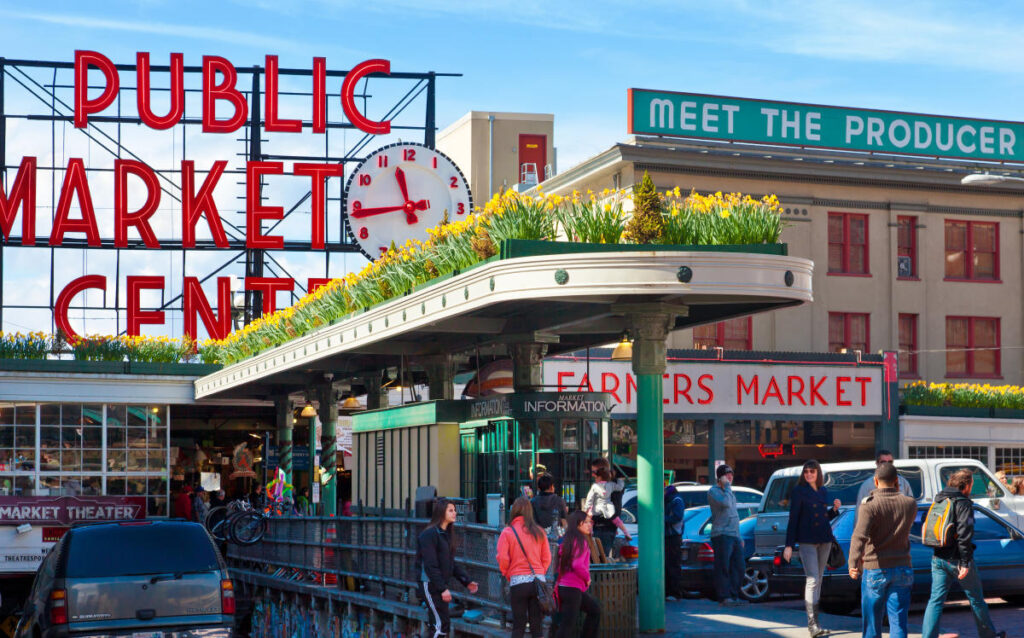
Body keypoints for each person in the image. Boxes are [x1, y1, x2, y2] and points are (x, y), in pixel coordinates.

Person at [920, 469, 1006, 638]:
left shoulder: (939, 499)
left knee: (935, 601)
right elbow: (965, 534)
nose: (971, 488)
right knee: (976, 599)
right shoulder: (964, 503)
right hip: (958, 560)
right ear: (966, 485)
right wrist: (965, 562)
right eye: (971, 484)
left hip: (938, 557)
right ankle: (988, 635)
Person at [847, 462, 917, 638]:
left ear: (875, 482)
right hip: (903, 566)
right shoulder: (910, 504)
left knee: (872, 625)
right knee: (899, 623)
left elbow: (859, 536)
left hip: (875, 567)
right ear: (896, 481)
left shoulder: (870, 505)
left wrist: (853, 563)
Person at [783, 460, 841, 638]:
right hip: (807, 541)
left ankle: (817, 624)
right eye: (806, 472)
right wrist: (789, 545)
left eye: (812, 472)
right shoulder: (799, 491)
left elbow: (823, 517)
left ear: (818, 473)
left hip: (825, 539)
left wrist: (834, 510)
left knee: (819, 580)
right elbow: (793, 519)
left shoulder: (823, 490)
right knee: (812, 579)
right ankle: (812, 625)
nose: (809, 474)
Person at [416, 498, 479, 638]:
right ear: (441, 512)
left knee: (442, 624)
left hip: (439, 585)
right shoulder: (429, 534)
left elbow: (450, 564)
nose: (455, 513)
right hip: (429, 584)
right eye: (451, 510)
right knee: (440, 625)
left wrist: (466, 581)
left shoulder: (447, 535)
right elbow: (430, 565)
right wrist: (442, 588)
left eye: (455, 510)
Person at [497, 496, 551, 638]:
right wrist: (540, 572)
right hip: (538, 582)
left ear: (513, 511)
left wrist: (508, 573)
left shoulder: (508, 532)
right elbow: (547, 558)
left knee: (518, 625)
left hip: (518, 582)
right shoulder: (539, 531)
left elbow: (502, 558)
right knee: (536, 626)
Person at [551, 511, 601, 638]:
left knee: (594, 610)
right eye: (588, 522)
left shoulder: (569, 539)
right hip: (572, 588)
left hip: (566, 587)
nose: (590, 525)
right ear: (579, 524)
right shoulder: (580, 541)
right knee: (567, 626)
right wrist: (587, 578)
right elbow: (577, 565)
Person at [708, 464, 747, 606]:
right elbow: (726, 504)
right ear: (720, 477)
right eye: (726, 474)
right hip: (722, 534)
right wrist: (727, 487)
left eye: (731, 474)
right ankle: (724, 597)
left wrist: (739, 536)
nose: (729, 476)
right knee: (723, 566)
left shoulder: (729, 492)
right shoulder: (714, 491)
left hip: (734, 535)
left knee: (739, 566)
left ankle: (734, 595)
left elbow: (734, 514)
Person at [856, 450, 914, 517]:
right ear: (877, 463)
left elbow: (911, 508)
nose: (887, 464)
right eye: (883, 462)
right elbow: (859, 513)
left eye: (890, 462)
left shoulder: (903, 483)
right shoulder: (867, 486)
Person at [584, 458, 617, 555]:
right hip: (601, 526)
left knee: (601, 557)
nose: (593, 475)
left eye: (595, 471)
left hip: (603, 527)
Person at [531, 473, 568, 539]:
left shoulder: (533, 502)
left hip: (537, 536)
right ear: (551, 487)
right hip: (555, 537)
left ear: (539, 488)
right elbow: (564, 522)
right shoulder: (559, 501)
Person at [664, 485, 686, 599]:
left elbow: (677, 517)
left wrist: (661, 518)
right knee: (668, 565)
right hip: (669, 536)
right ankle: (670, 592)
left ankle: (674, 592)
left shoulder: (676, 500)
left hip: (673, 536)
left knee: (673, 565)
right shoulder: (670, 500)